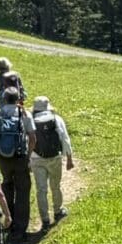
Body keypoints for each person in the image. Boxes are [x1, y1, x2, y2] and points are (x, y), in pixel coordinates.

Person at [0, 87, 34, 244]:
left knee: (6, 187)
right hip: (20, 157)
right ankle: (20, 230)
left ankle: (8, 222)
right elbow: (33, 137)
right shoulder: (24, 114)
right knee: (23, 191)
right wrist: (27, 156)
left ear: (4, 99)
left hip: (3, 158)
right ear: (18, 99)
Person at [29, 95, 76, 232]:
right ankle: (58, 210)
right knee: (55, 186)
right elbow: (65, 139)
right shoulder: (57, 119)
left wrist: (27, 160)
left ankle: (44, 219)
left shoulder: (30, 120)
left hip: (36, 158)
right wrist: (69, 159)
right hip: (54, 158)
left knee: (41, 190)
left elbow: (28, 140)